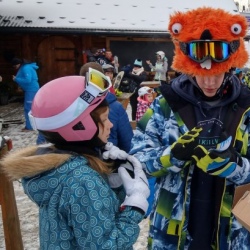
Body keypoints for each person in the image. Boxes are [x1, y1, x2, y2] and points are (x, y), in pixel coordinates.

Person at [130, 6, 250, 249]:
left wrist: (235, 166)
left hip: (231, 234)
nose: (210, 81)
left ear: (229, 66)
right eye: (202, 72)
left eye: (217, 72)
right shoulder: (166, 104)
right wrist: (172, 156)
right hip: (173, 233)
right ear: (189, 66)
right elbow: (137, 160)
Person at [0, 70, 149, 249]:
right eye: (104, 119)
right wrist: (135, 206)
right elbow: (106, 246)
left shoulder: (57, 167)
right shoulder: (82, 181)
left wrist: (113, 185)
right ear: (79, 127)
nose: (110, 125)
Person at [36, 62, 133, 153]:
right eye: (104, 119)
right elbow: (127, 143)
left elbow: (44, 142)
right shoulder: (115, 107)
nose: (110, 125)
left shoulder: (64, 106)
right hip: (104, 162)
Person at [11, 57, 40, 132]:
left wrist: (16, 79)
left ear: (18, 64)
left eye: (14, 66)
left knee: (28, 109)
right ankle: (35, 124)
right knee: (33, 108)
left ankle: (29, 127)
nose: (15, 68)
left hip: (31, 90)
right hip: (32, 89)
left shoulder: (25, 68)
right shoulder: (27, 67)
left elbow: (28, 80)